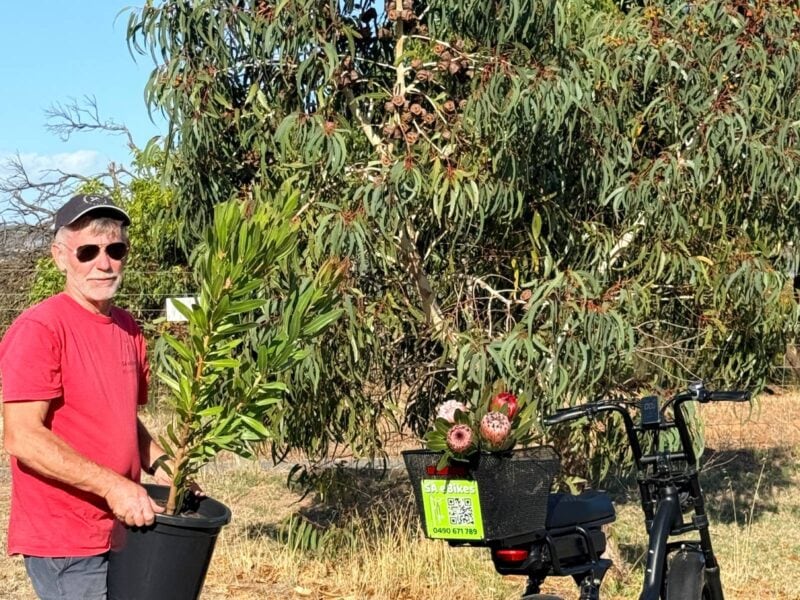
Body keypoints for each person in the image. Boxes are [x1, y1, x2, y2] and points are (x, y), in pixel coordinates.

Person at [0, 194, 171, 600]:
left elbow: (121, 419)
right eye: (87, 251)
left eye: (115, 249)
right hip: (66, 542)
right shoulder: (40, 329)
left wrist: (167, 467)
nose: (103, 262)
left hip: (124, 528)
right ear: (60, 257)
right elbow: (22, 438)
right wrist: (115, 486)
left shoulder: (128, 327)